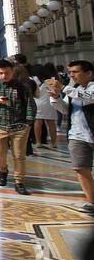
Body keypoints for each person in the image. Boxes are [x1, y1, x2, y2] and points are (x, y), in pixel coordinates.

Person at [48, 60, 94, 215]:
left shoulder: (89, 88)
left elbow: (88, 98)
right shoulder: (73, 89)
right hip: (77, 135)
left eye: (75, 72)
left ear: (89, 73)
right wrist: (56, 98)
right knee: (81, 168)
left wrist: (63, 88)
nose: (71, 75)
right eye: (70, 72)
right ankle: (91, 201)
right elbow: (65, 110)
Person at [0, 59, 35, 195]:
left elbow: (30, 104)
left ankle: (19, 181)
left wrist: (28, 123)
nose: (3, 76)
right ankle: (3, 170)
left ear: (12, 71)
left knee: (19, 155)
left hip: (19, 126)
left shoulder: (22, 86)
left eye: (6, 73)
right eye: (0, 73)